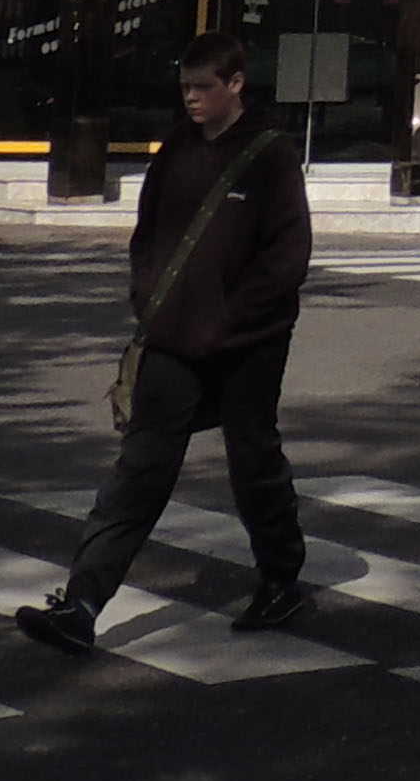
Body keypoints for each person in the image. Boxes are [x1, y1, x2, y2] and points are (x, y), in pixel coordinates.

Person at [18, 32, 313, 652]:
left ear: (235, 84)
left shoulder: (271, 154)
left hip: (250, 342)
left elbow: (287, 257)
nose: (192, 98)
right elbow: (147, 233)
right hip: (174, 339)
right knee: (140, 468)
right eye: (185, 88)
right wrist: (149, 294)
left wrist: (231, 319)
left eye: (204, 87)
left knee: (253, 460)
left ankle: (282, 579)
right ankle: (82, 604)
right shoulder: (176, 149)